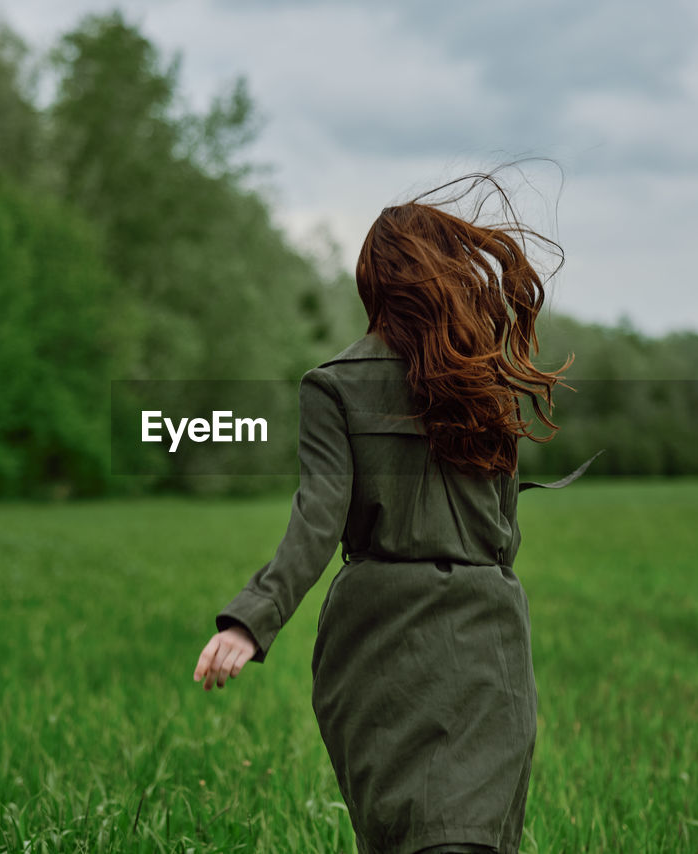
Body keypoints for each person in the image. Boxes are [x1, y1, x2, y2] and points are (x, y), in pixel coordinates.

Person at [192, 172, 598, 854]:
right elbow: (505, 533)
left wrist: (250, 621)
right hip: (485, 638)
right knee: (469, 835)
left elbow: (318, 517)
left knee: (410, 835)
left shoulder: (334, 386)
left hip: (377, 640)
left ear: (374, 284)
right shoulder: (488, 386)